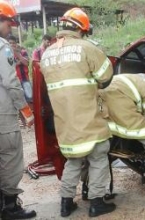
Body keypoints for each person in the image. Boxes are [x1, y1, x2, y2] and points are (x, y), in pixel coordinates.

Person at [40, 7, 116, 218]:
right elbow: (106, 77)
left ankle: (66, 203)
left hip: (65, 123)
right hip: (89, 119)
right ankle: (96, 203)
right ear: (81, 29)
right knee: (99, 157)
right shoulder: (86, 48)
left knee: (73, 161)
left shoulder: (46, 54)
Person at [0, 1, 36, 219]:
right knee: (11, 158)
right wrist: (26, 111)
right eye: (8, 23)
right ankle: (10, 207)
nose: (10, 28)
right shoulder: (2, 47)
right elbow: (11, 82)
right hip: (2, 115)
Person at [99, 66, 145, 159]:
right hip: (117, 100)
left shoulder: (140, 78)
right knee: (144, 130)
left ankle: (106, 152)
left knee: (111, 126)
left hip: (100, 97)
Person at [7, 35, 32, 104]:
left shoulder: (23, 52)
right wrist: (19, 62)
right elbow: (9, 67)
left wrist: (17, 53)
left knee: (29, 99)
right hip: (14, 82)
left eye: (13, 43)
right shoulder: (6, 54)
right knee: (18, 102)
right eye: (10, 43)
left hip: (25, 80)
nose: (12, 44)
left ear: (16, 43)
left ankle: (31, 114)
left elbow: (26, 63)